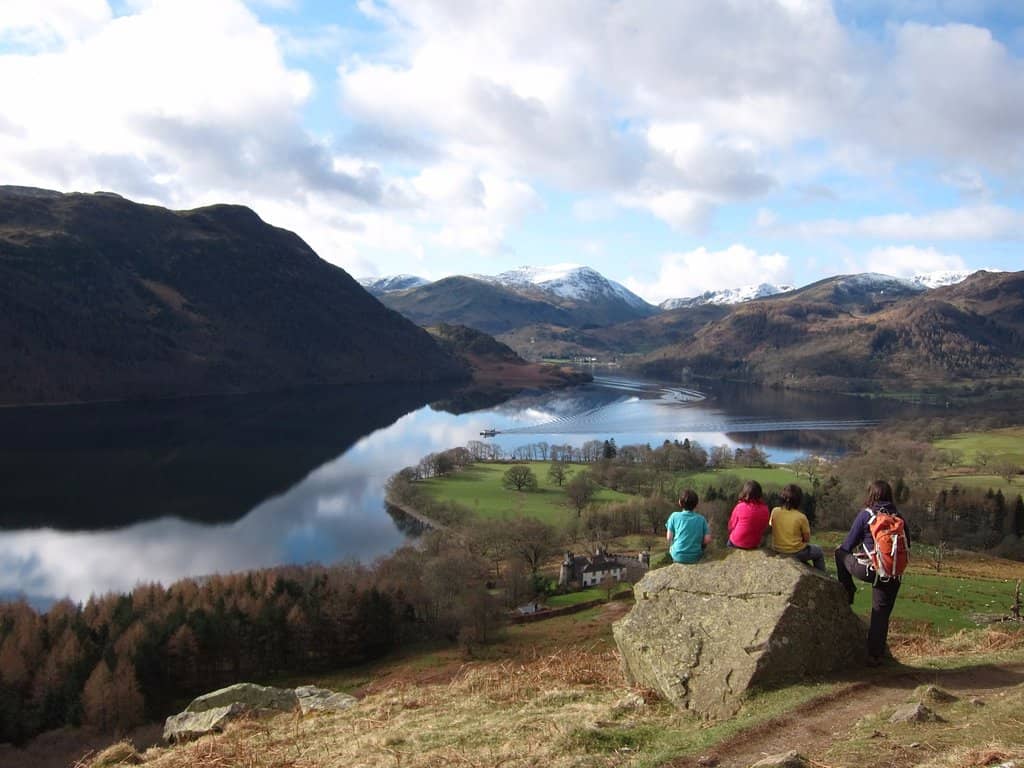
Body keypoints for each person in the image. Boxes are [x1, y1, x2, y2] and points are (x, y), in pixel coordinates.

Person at [834, 480, 908, 666]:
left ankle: (848, 591)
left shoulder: (866, 514)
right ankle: (875, 657)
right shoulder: (898, 517)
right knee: (881, 614)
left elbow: (847, 545)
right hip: (892, 572)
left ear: (871, 495)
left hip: (869, 570)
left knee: (839, 553)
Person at [769, 484, 826, 571]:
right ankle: (822, 576)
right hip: (796, 552)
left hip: (777, 549)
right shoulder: (801, 517)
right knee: (819, 552)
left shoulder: (775, 511)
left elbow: (771, 527)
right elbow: (806, 539)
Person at [665, 488, 711, 564]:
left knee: (673, 548)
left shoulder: (674, 516)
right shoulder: (701, 519)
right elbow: (707, 539)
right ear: (696, 505)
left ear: (680, 502)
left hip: (678, 555)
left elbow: (669, 538)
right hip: (695, 556)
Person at [727, 480, 770, 549]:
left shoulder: (740, 506)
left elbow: (731, 525)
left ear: (745, 493)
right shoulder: (765, 509)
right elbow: (764, 526)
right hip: (754, 543)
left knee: (730, 542)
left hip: (737, 542)